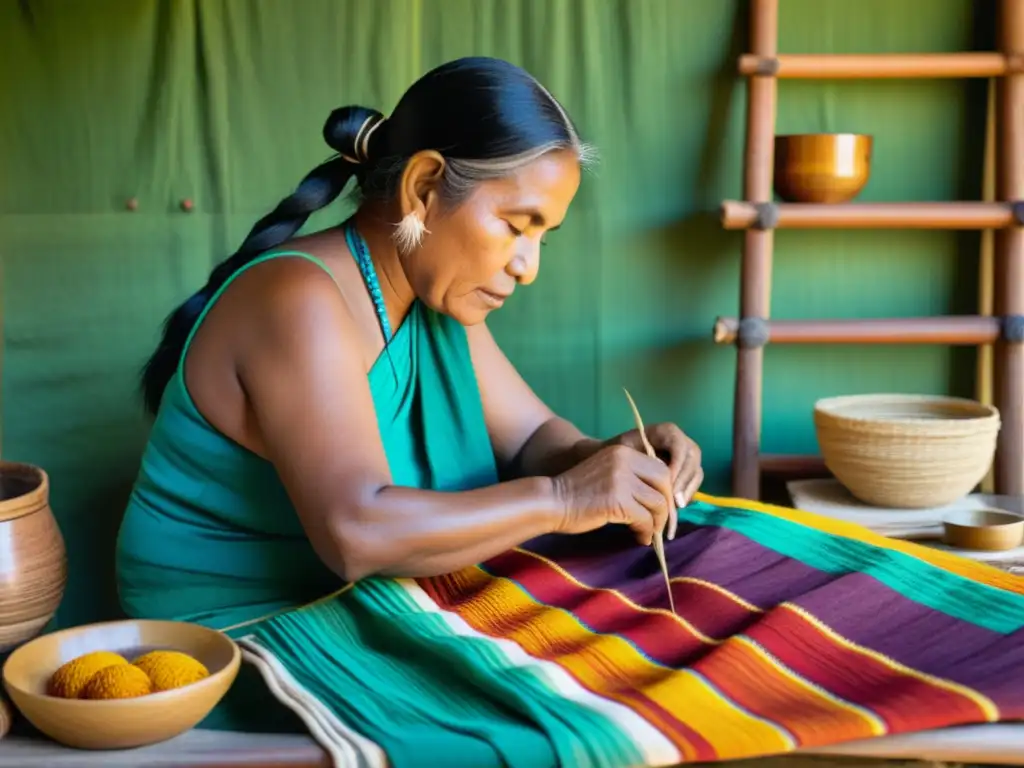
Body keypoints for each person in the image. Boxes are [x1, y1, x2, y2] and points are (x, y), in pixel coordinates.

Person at [115, 56, 703, 730]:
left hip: (347, 611)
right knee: (564, 704)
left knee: (648, 637)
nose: (528, 265)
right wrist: (569, 497)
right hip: (231, 643)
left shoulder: (429, 298)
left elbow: (536, 439)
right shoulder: (299, 300)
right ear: (424, 187)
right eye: (516, 225)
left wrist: (612, 460)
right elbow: (357, 531)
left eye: (543, 235)